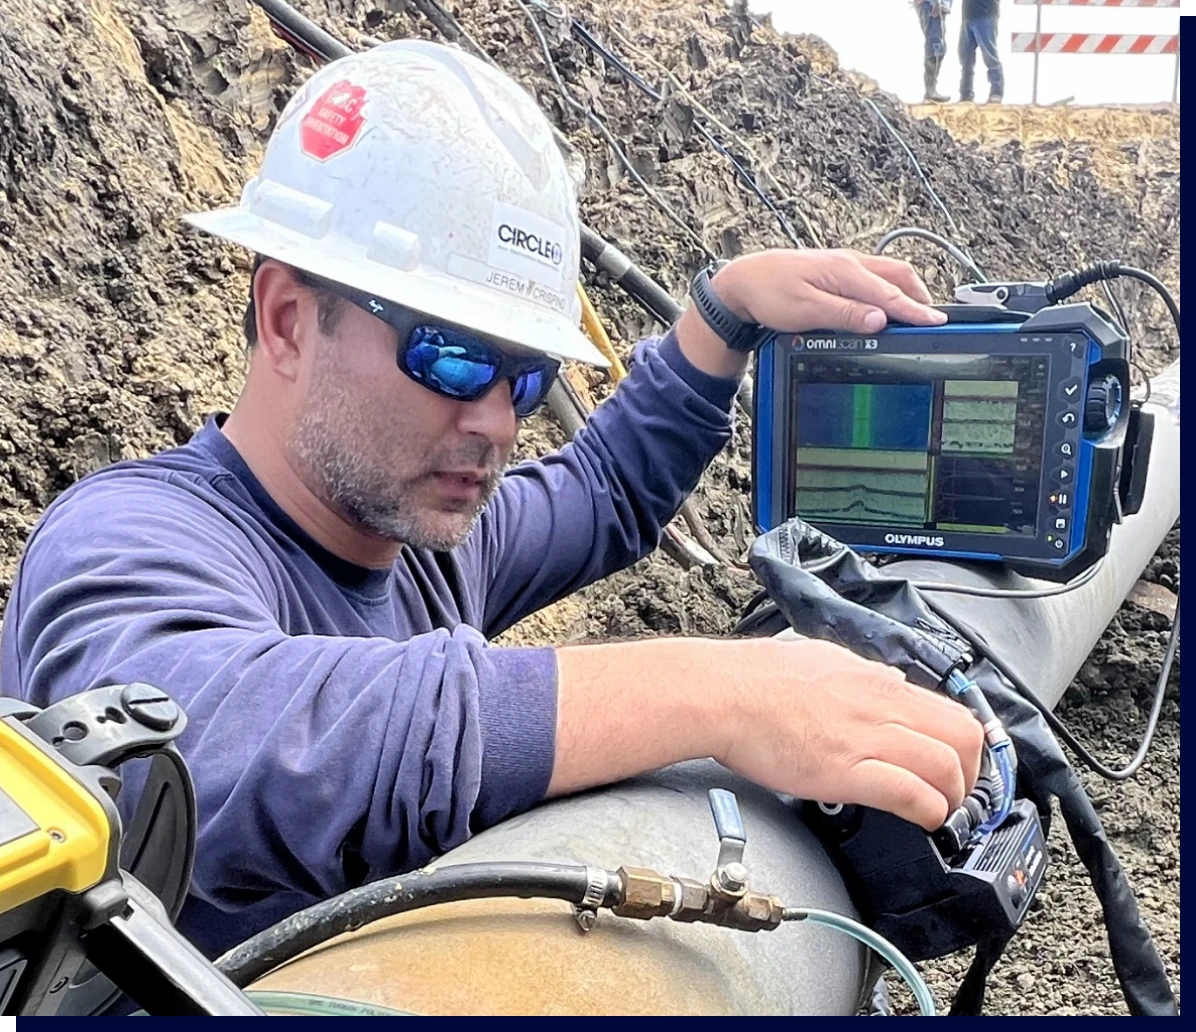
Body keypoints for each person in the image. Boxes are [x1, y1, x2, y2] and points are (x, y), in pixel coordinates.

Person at [0, 40, 983, 959]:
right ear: (289, 321)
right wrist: (719, 693)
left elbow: (600, 489)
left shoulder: (420, 537)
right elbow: (205, 748)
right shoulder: (124, 539)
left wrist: (721, 313)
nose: (496, 423)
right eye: (452, 354)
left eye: (519, 376)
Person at [959, 0, 1004, 104]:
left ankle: (996, 92)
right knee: (966, 58)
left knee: (990, 56)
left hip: (985, 14)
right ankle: (966, 94)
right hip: (968, 15)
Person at [914, 0, 952, 104]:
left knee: (937, 47)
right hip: (932, 5)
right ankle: (930, 92)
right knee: (935, 47)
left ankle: (931, 91)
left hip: (935, 5)